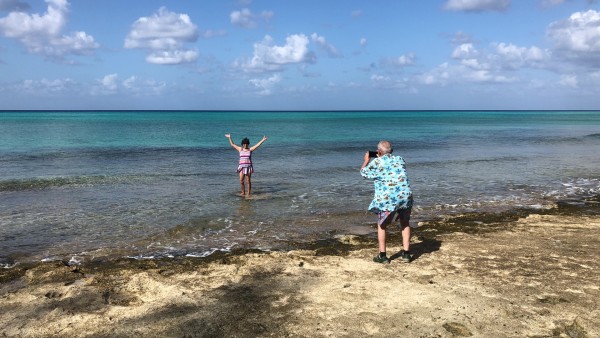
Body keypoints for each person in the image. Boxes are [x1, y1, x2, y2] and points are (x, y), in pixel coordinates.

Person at [360, 140, 413, 264]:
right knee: (405, 223)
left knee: (382, 225)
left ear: (378, 151)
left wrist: (367, 160)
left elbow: (364, 173)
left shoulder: (377, 161)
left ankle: (382, 256)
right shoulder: (400, 159)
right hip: (405, 196)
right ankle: (406, 254)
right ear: (392, 151)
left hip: (388, 198)